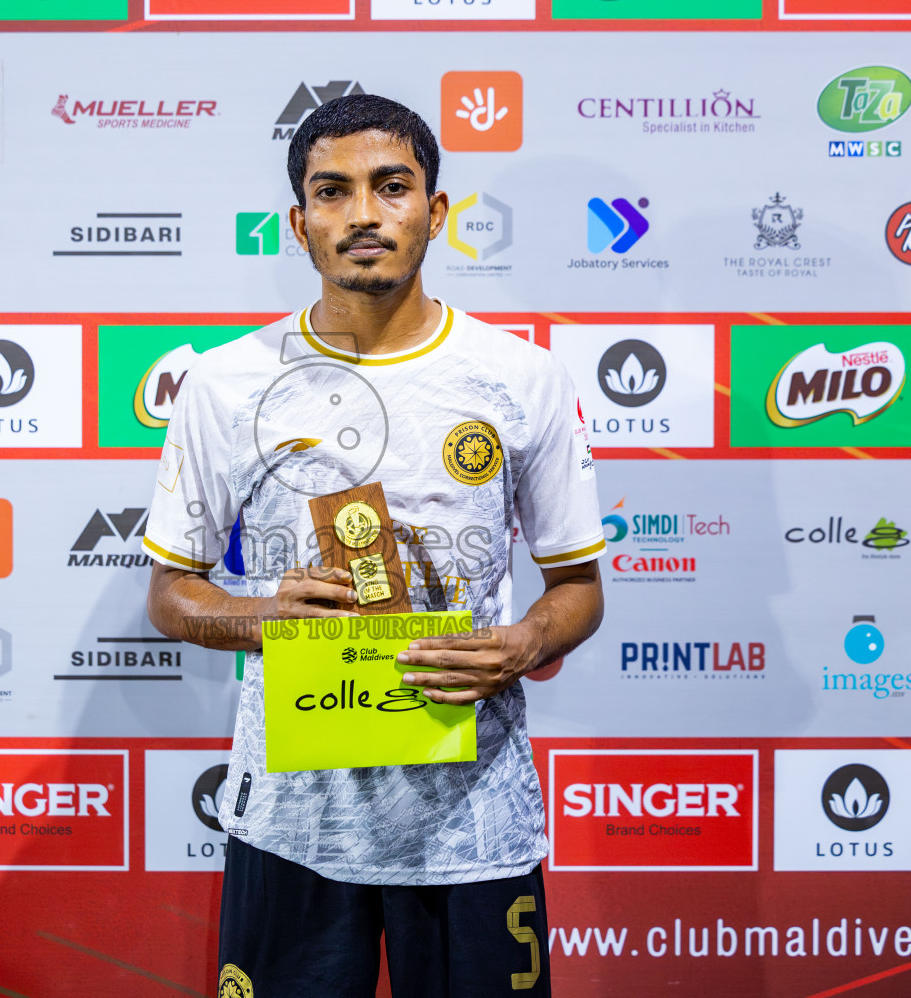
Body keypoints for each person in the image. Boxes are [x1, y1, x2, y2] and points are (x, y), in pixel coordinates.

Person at [142, 93, 607, 998]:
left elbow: (578, 587)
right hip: (292, 826)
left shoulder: (521, 377)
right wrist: (261, 617)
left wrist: (527, 642)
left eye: (391, 187)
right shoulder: (225, 383)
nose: (363, 214)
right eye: (333, 192)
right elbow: (171, 593)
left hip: (474, 825)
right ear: (298, 223)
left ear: (435, 213)